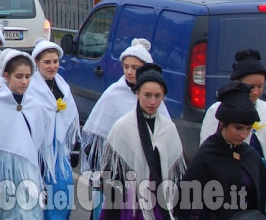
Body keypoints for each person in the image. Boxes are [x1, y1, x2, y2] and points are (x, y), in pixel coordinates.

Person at [82, 38, 170, 220]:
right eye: (126, 66)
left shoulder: (154, 98)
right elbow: (97, 134)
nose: (129, 72)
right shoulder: (113, 94)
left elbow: (165, 135)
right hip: (118, 170)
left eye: (135, 67)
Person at [0, 49, 51, 220]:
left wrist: (42, 181)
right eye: (19, 76)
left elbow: (39, 145)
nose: (24, 82)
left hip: (27, 170)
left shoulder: (35, 105)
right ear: (6, 76)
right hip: (2, 170)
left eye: (28, 76)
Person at [100, 64, 185, 220]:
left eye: (157, 96)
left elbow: (177, 173)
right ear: (137, 94)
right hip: (130, 205)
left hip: (160, 200)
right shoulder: (123, 127)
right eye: (147, 95)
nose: (152, 102)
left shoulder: (169, 129)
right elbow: (108, 173)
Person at [181, 81, 266, 220]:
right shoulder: (206, 157)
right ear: (222, 124)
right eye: (238, 128)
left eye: (248, 128)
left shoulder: (251, 156)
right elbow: (188, 205)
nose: (244, 135)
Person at [26, 39, 79, 220]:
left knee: (63, 190)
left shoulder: (63, 86)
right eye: (47, 62)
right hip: (39, 151)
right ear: (37, 63)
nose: (52, 66)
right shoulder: (31, 88)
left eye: (55, 62)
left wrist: (75, 146)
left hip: (60, 150)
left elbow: (71, 117)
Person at [200, 49, 266, 158]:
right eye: (251, 86)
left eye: (260, 86)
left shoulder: (264, 110)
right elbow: (206, 148)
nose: (256, 92)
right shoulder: (218, 109)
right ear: (237, 82)